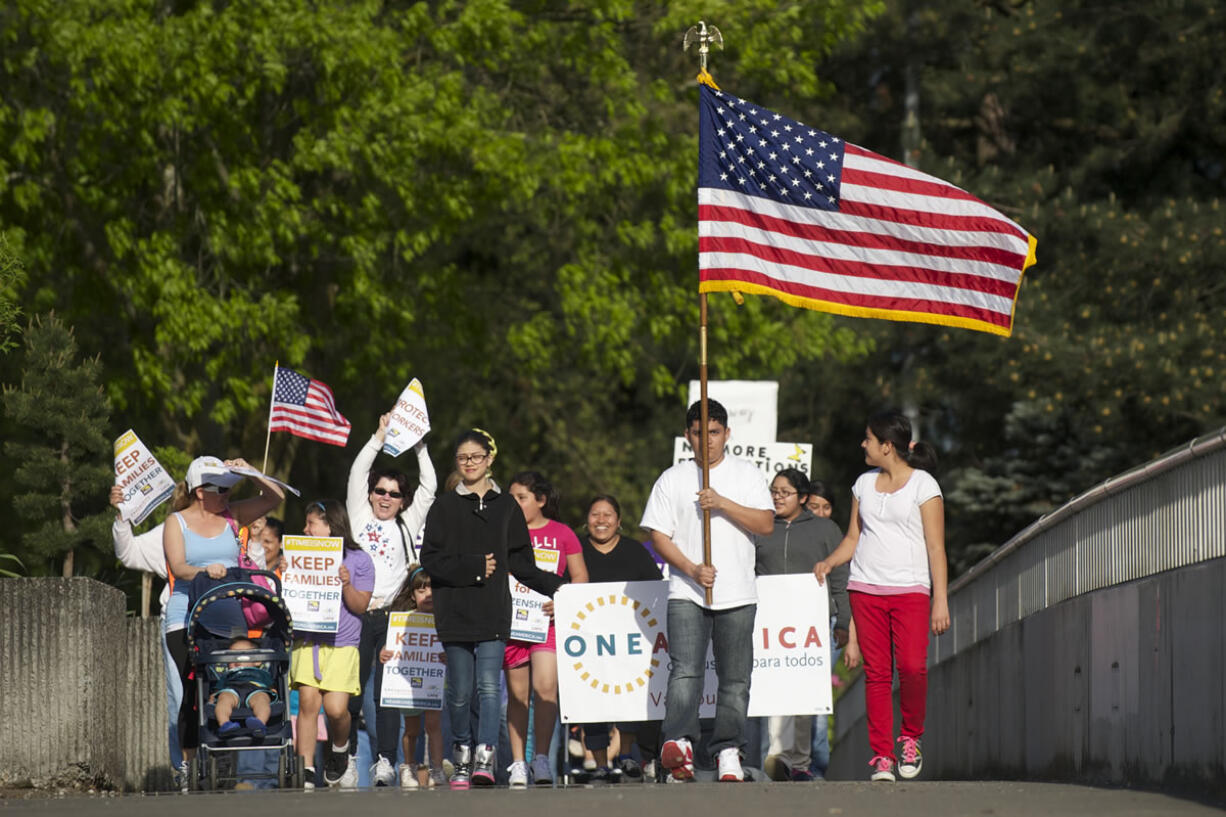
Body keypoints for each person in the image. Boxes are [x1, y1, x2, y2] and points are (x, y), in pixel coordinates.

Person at [419, 429, 567, 789]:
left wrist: (561, 587)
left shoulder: (506, 507)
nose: (469, 464)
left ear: (489, 460)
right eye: (462, 458)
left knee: (488, 688)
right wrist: (472, 567)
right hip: (454, 612)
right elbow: (430, 560)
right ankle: (462, 756)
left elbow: (522, 563)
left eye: (475, 457)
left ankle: (485, 757)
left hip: (493, 612)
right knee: (459, 692)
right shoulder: (443, 506)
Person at [640, 400, 774, 783]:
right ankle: (680, 742)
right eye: (699, 433)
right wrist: (693, 569)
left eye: (714, 432)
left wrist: (722, 503)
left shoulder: (746, 475)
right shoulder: (672, 478)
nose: (707, 441)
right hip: (687, 590)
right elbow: (658, 535)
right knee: (685, 670)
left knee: (735, 677)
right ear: (688, 436)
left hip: (738, 593)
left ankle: (728, 749)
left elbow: (765, 523)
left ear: (727, 434)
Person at [814, 410, 950, 783]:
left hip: (911, 591)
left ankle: (910, 738)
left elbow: (936, 548)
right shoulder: (862, 485)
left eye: (868, 439)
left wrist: (941, 599)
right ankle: (883, 756)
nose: (863, 444)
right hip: (866, 589)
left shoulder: (924, 486)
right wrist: (829, 562)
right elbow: (853, 539)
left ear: (886, 446)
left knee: (911, 667)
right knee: (876, 675)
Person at [162, 456, 284, 784]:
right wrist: (206, 570)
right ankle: (185, 766)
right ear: (201, 491)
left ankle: (225, 762)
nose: (227, 496)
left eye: (231, 489)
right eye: (221, 490)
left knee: (233, 684)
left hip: (229, 617)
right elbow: (178, 566)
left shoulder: (233, 516)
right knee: (188, 693)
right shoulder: (177, 522)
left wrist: (250, 472)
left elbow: (275, 498)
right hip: (187, 615)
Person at [345, 413, 437, 786]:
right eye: (380, 491)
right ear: (370, 494)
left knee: (385, 694)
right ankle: (348, 758)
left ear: (403, 501)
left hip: (392, 616)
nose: (385, 497)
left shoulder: (407, 523)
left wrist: (419, 444)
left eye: (394, 494)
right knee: (349, 692)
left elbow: (429, 486)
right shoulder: (357, 514)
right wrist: (378, 436)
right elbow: (357, 470)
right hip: (354, 614)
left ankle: (384, 760)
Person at [753, 468, 849, 782]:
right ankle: (762, 761)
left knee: (806, 692)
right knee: (764, 688)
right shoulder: (760, 527)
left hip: (814, 623)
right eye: (774, 491)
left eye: (785, 492)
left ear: (803, 498)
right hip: (768, 623)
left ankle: (801, 763)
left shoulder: (826, 529)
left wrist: (844, 621)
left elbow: (840, 577)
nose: (777, 497)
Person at [503, 471, 588, 788]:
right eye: (510, 498)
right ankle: (517, 763)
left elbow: (580, 577)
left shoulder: (563, 533)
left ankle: (541, 757)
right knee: (517, 694)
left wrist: (562, 597)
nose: (514, 504)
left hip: (549, 623)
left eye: (521, 498)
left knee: (545, 687)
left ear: (540, 500)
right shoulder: (501, 531)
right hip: (512, 623)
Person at [576, 494, 664, 782]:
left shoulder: (635, 551)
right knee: (593, 702)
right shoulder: (575, 551)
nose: (601, 521)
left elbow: (655, 589)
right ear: (586, 519)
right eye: (594, 514)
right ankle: (600, 764)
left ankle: (626, 756)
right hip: (587, 642)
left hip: (629, 642)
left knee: (629, 697)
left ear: (619, 521)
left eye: (607, 515)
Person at [291, 499, 375, 790]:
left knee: (337, 708)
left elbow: (360, 606)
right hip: (308, 638)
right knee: (307, 703)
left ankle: (340, 747)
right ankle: (307, 769)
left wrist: (347, 583)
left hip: (343, 642)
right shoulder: (298, 553)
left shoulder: (359, 559)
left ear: (330, 525)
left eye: (311, 523)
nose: (305, 529)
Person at [109, 485, 183, 778]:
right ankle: (185, 768)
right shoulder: (171, 529)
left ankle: (222, 762)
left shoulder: (231, 524)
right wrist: (122, 516)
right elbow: (130, 553)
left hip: (222, 619)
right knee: (179, 696)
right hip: (179, 617)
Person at [378, 564, 447, 789]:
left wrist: (447, 656)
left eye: (432, 589)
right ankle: (408, 766)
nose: (428, 595)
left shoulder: (445, 620)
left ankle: (436, 769)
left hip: (434, 679)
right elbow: (390, 647)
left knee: (434, 724)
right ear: (412, 594)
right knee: (411, 728)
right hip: (407, 682)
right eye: (421, 590)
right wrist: (384, 654)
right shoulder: (403, 620)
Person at [212, 637, 276, 738]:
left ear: (257, 661)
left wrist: (272, 691)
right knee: (223, 699)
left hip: (256, 689)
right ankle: (224, 724)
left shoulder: (262, 673)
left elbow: (271, 686)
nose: (236, 660)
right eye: (231, 657)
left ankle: (259, 723)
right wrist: (212, 698)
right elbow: (218, 689)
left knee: (262, 700)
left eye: (241, 655)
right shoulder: (227, 674)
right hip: (232, 690)